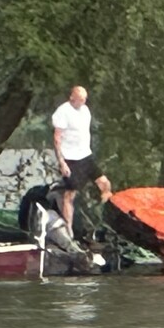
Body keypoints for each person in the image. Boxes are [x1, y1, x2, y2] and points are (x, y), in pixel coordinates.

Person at [51, 85, 112, 232]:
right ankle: (68, 229)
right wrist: (62, 162)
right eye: (80, 99)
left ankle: (105, 219)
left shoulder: (85, 110)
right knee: (70, 194)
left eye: (85, 99)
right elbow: (57, 138)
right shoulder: (63, 112)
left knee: (104, 184)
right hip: (70, 158)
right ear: (72, 97)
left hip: (85, 155)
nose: (83, 102)